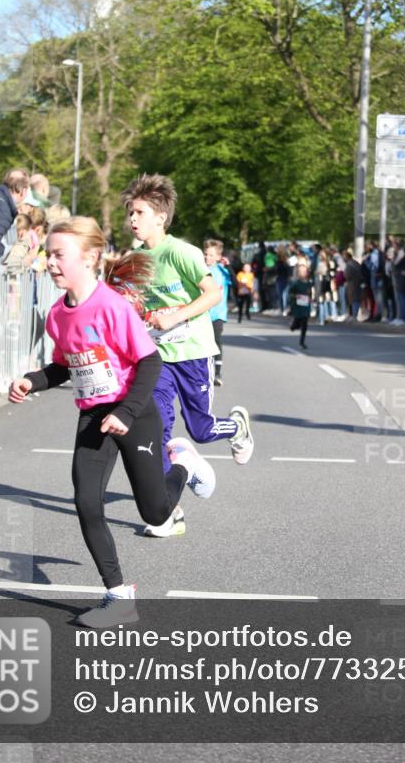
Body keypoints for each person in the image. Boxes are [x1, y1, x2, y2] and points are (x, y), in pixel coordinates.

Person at [8, 216, 216, 627]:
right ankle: (118, 595)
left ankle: (184, 464)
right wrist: (31, 381)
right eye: (48, 254)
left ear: (89, 258)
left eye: (58, 254)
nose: (50, 262)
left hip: (134, 412)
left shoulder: (112, 307)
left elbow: (150, 362)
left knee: (156, 515)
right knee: (86, 501)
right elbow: (64, 367)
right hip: (93, 416)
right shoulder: (56, 314)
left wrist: (125, 412)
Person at [122, 173, 254, 539]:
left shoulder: (181, 252)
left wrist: (176, 315)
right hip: (159, 356)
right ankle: (169, 512)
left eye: (139, 212)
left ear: (160, 217)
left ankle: (238, 427)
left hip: (194, 352)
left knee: (201, 428)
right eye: (130, 213)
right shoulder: (135, 258)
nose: (132, 219)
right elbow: (138, 303)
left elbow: (212, 295)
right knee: (158, 428)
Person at [203, 239, 231, 386]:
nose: (207, 257)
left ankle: (218, 373)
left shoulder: (222, 270)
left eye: (211, 255)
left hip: (218, 313)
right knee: (203, 344)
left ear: (219, 257)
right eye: (206, 254)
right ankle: (204, 372)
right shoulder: (200, 269)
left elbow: (235, 280)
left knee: (217, 341)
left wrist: (229, 265)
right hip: (202, 314)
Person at [288, 262, 312, 349]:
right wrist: (295, 296)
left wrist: (311, 298)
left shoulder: (309, 283)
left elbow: (310, 293)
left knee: (304, 325)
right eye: (301, 271)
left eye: (305, 271)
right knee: (297, 323)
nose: (303, 273)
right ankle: (293, 326)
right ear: (298, 273)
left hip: (305, 306)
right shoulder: (296, 283)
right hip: (297, 307)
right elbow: (290, 293)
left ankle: (302, 342)